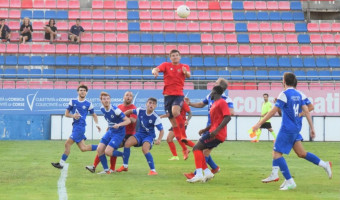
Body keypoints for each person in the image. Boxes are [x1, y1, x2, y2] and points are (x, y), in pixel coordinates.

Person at [252, 72, 332, 190]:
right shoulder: (298, 94)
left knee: (276, 153)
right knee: (301, 153)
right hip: (295, 128)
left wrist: (259, 123)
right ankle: (324, 164)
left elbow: (273, 111)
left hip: (287, 128)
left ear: (284, 81)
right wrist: (312, 127)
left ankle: (289, 181)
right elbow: (307, 110)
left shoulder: (284, 94)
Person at [184, 78, 233, 178]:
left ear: (221, 87)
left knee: (202, 150)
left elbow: (230, 113)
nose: (214, 84)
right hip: (210, 127)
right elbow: (202, 104)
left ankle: (197, 174)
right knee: (203, 150)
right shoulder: (211, 96)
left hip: (216, 130)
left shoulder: (225, 100)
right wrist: (190, 104)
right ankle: (213, 168)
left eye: (216, 83)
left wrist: (218, 122)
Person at [86, 91, 137, 173]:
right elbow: (112, 119)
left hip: (124, 134)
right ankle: (107, 170)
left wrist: (119, 124)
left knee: (108, 150)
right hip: (112, 131)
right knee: (100, 149)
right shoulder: (103, 108)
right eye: (104, 99)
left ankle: (122, 157)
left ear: (110, 100)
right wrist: (109, 127)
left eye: (130, 96)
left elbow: (130, 120)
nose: (106, 100)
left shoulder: (123, 109)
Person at [51, 85, 101, 169]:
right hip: (75, 126)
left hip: (80, 127)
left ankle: (61, 163)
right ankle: (102, 147)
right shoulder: (73, 101)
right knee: (83, 148)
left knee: (67, 143)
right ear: (78, 91)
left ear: (86, 92)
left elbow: (94, 115)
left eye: (84, 90)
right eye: (81, 90)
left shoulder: (89, 104)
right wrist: (73, 115)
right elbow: (66, 114)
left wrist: (97, 124)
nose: (82, 91)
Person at [116, 97, 164, 175]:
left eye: (153, 104)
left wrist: (159, 139)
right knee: (127, 144)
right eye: (150, 103)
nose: (151, 105)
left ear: (155, 106)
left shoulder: (156, 117)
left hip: (149, 136)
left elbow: (161, 130)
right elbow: (130, 111)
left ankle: (153, 170)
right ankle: (125, 166)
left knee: (145, 149)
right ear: (146, 104)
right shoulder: (140, 110)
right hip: (139, 134)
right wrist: (122, 117)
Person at [152, 49, 190, 144]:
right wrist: (154, 71)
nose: (175, 57)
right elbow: (156, 69)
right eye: (173, 55)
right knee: (174, 124)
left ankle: (184, 135)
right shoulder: (166, 65)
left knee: (175, 111)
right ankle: (184, 148)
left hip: (178, 95)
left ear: (179, 57)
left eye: (177, 55)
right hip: (167, 96)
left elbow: (189, 75)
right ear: (170, 58)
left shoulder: (184, 67)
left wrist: (186, 73)